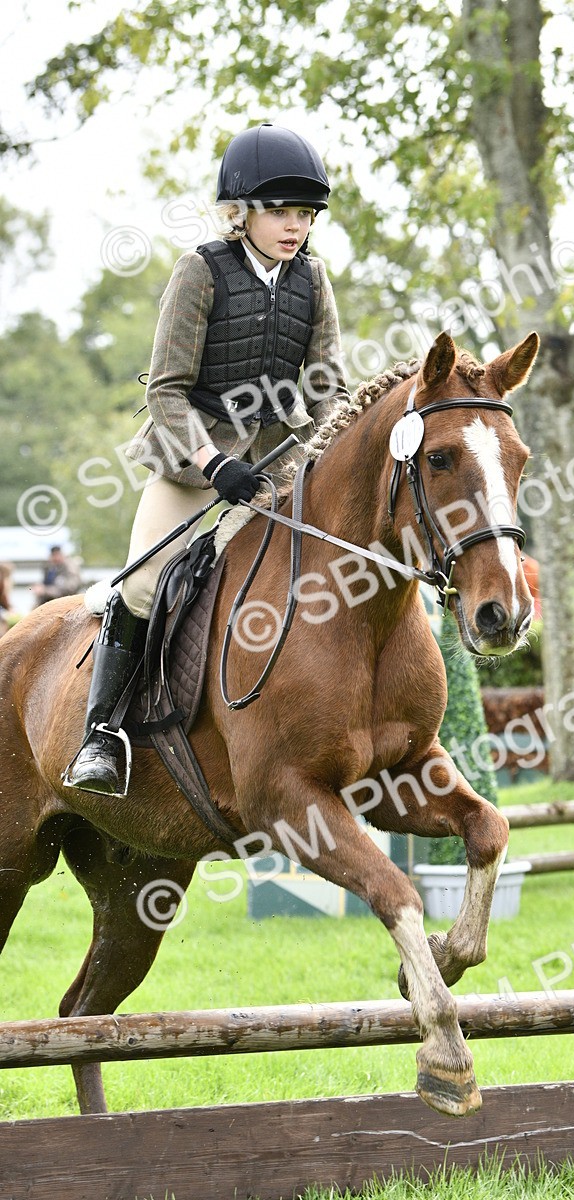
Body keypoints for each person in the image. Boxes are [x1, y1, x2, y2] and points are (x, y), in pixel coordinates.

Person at [66, 123, 350, 797]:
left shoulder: (312, 277)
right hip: (193, 462)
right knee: (142, 586)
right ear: (241, 212)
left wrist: (316, 454)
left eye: (305, 214)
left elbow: (329, 385)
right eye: (282, 211)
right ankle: (101, 735)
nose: (295, 226)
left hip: (277, 464)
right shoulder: (200, 271)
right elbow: (165, 390)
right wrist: (213, 462)